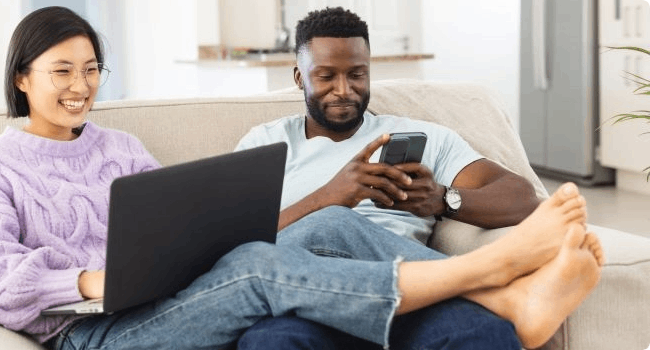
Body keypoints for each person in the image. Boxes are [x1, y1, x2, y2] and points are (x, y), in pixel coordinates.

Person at [0, 6, 604, 350]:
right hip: (90, 333)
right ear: (22, 76)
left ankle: (504, 295)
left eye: (92, 69)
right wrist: (91, 280)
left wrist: (176, 251)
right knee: (259, 266)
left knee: (330, 224)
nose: (81, 86)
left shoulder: (121, 147)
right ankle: (495, 281)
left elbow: (171, 226)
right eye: (63, 71)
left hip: (160, 304)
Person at [233, 7, 605, 350]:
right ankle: (495, 278)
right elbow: (234, 246)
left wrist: (444, 199)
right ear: (300, 77)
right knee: (273, 341)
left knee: (485, 334)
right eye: (326, 76)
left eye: (357, 74)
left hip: (416, 299)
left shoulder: (422, 136)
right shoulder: (265, 143)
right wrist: (330, 196)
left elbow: (521, 197)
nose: (344, 90)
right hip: (307, 300)